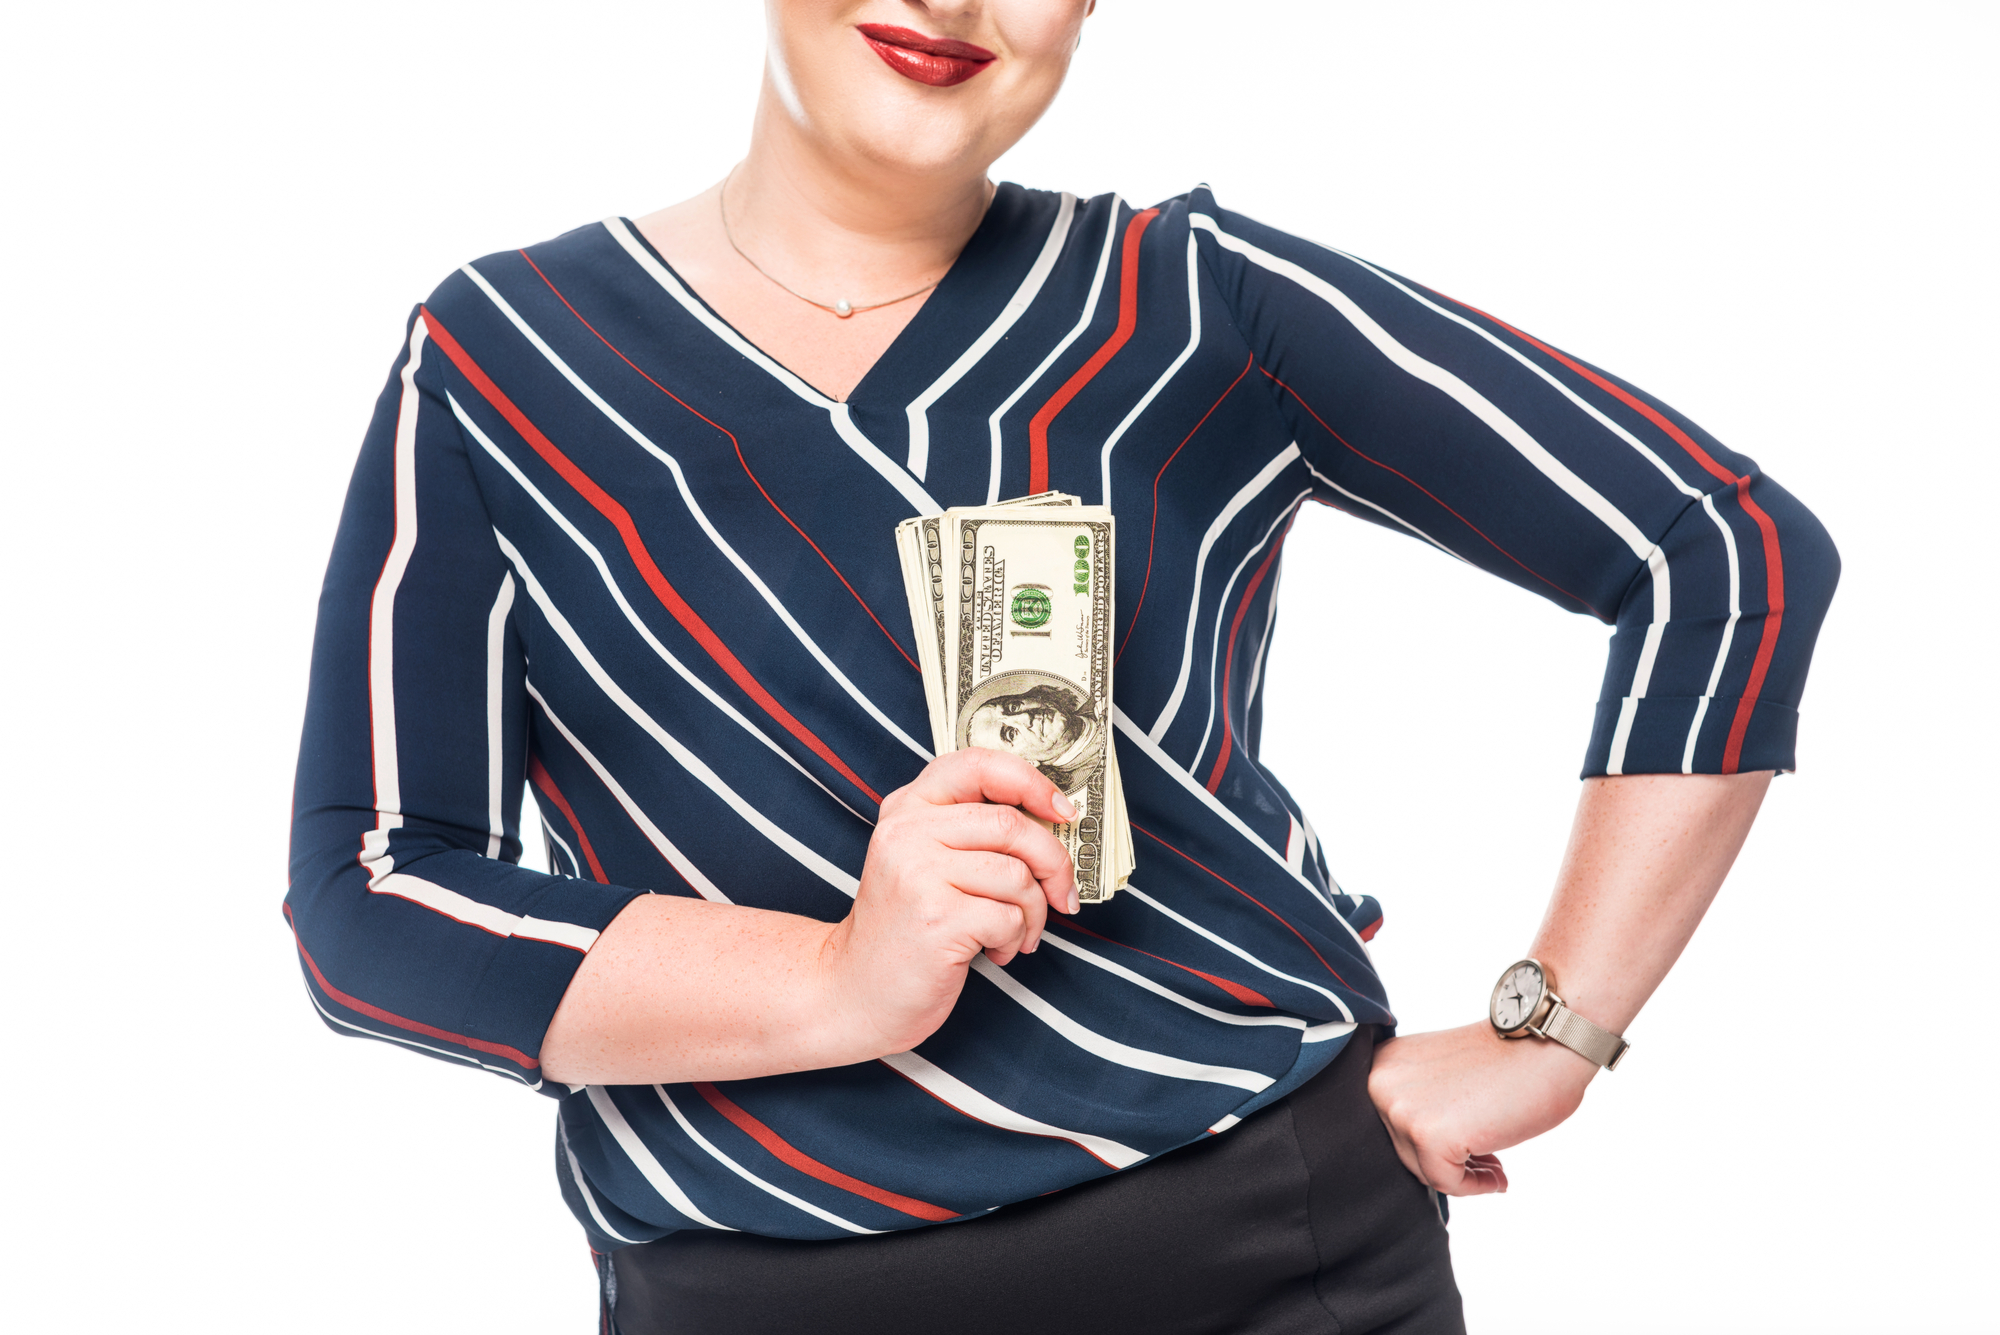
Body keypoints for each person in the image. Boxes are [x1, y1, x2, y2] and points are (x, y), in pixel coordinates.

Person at [282, 3, 1839, 1332]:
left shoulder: (1192, 300)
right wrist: (838, 976)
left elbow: (1723, 551)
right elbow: (372, 897)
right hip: (752, 1285)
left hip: (1279, 1256)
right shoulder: (505, 362)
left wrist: (1547, 1032)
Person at [960, 674, 1105, 796]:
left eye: (1013, 707)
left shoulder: (1104, 691)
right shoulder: (1091, 781)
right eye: (1011, 734)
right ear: (1028, 763)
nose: (1025, 717)